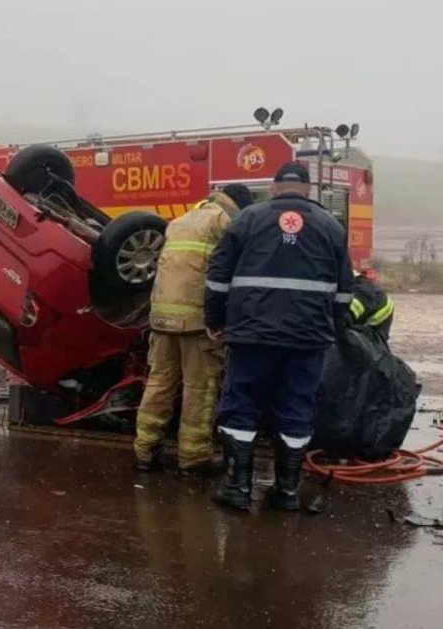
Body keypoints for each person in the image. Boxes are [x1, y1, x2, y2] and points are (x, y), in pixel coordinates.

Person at [205, 162, 353, 512]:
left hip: (252, 334)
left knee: (241, 404)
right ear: (308, 190)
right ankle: (287, 492)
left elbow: (217, 277)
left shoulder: (248, 219)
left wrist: (215, 320)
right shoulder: (331, 226)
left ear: (273, 188)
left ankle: (238, 488)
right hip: (307, 339)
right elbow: (345, 291)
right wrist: (330, 326)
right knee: (297, 409)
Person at [134, 183, 255, 475]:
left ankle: (145, 451)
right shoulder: (225, 223)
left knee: (159, 384)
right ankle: (194, 457)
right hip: (197, 323)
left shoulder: (179, 221)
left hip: (162, 319)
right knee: (199, 389)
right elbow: (231, 273)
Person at [348, 270, 394, 341]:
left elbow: (341, 321)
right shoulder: (366, 289)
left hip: (366, 343)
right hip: (374, 340)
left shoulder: (361, 294)